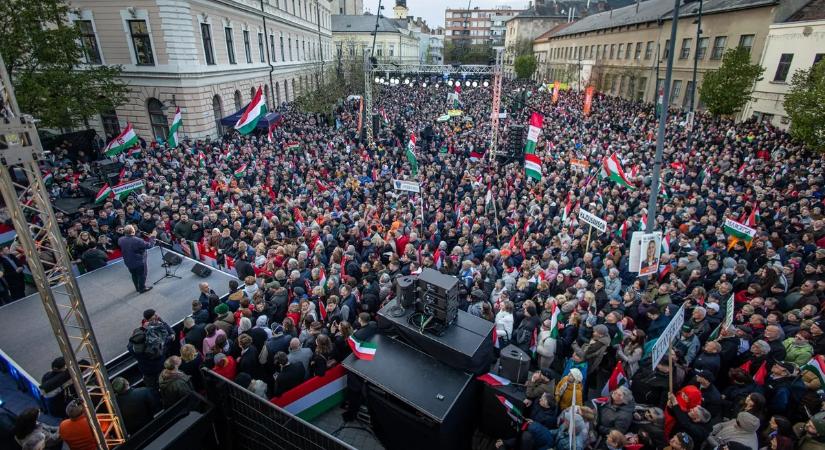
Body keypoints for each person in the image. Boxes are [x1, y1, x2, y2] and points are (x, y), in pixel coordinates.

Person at [118, 225, 156, 293]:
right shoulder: (138, 240)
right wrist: (152, 237)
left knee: (134, 275)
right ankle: (142, 288)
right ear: (133, 231)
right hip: (139, 262)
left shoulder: (120, 239)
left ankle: (137, 288)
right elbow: (150, 245)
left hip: (128, 261)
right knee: (142, 275)